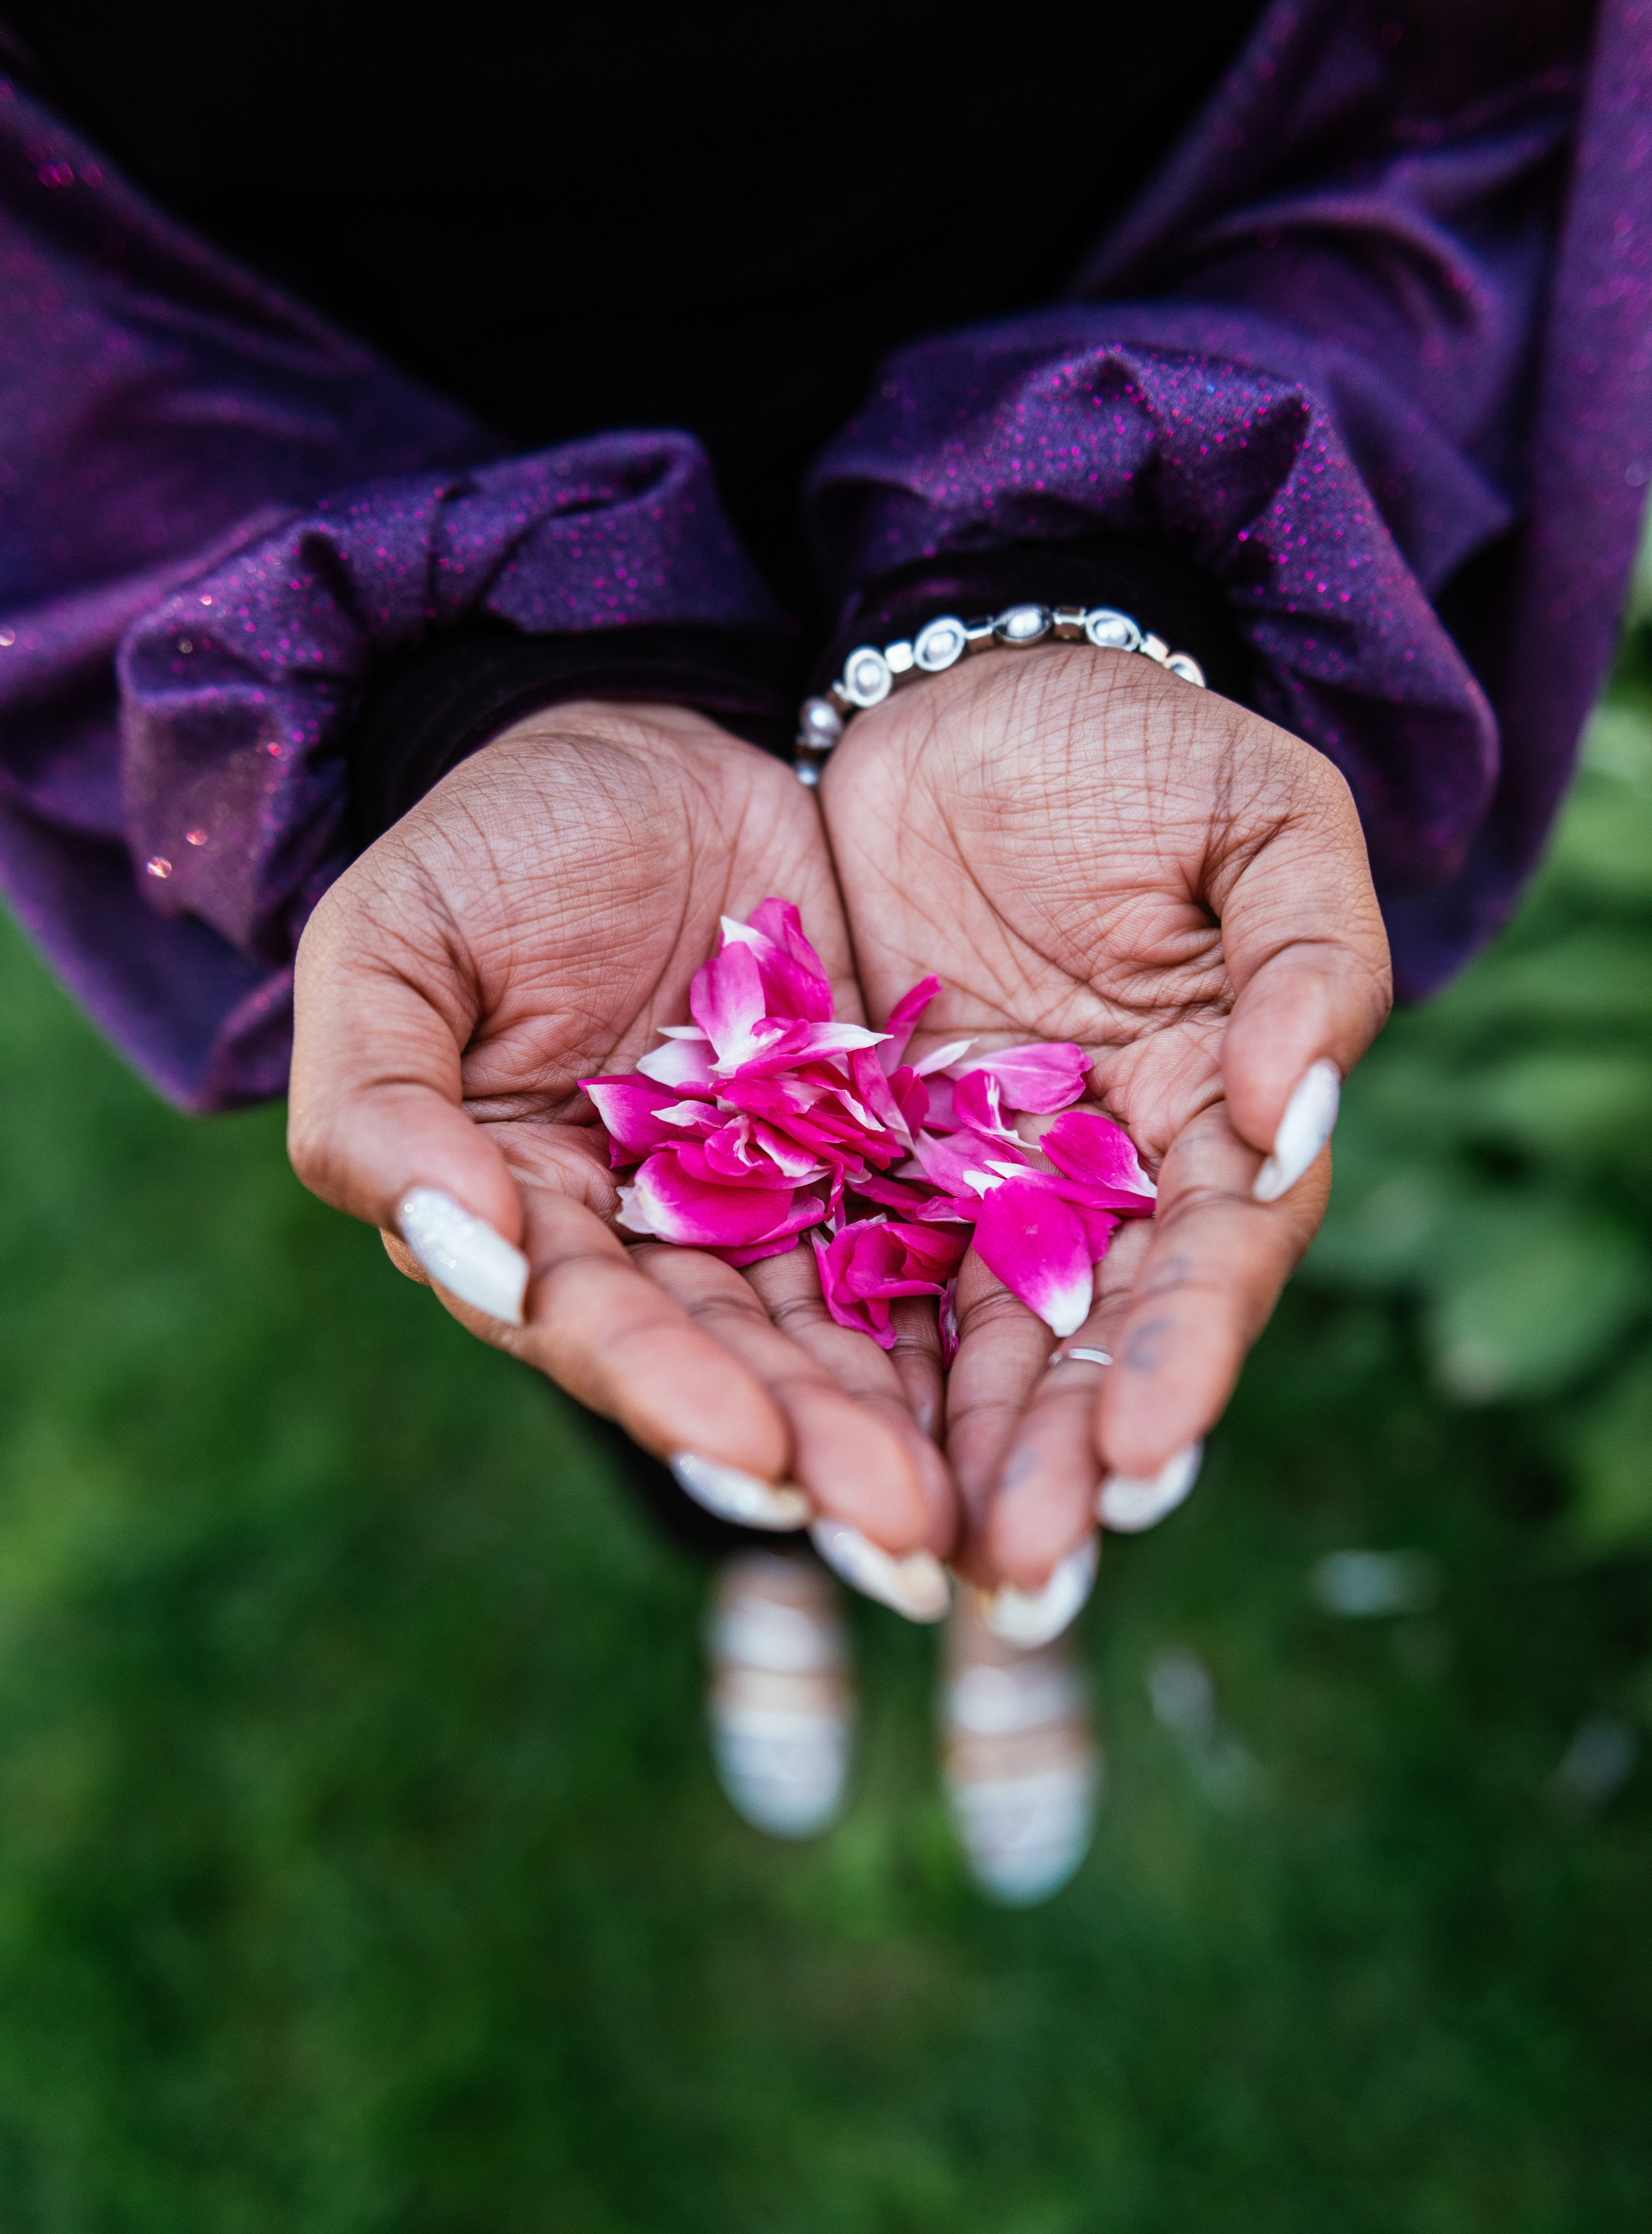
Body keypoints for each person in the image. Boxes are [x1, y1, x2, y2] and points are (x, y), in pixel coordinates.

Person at [0, 2, 1646, 1898]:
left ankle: (1005, 1580)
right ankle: (770, 1539)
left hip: (1092, 252)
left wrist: (1107, 589)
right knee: (597, 1204)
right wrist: (463, 701)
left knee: (1066, 1299)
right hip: (383, 398)